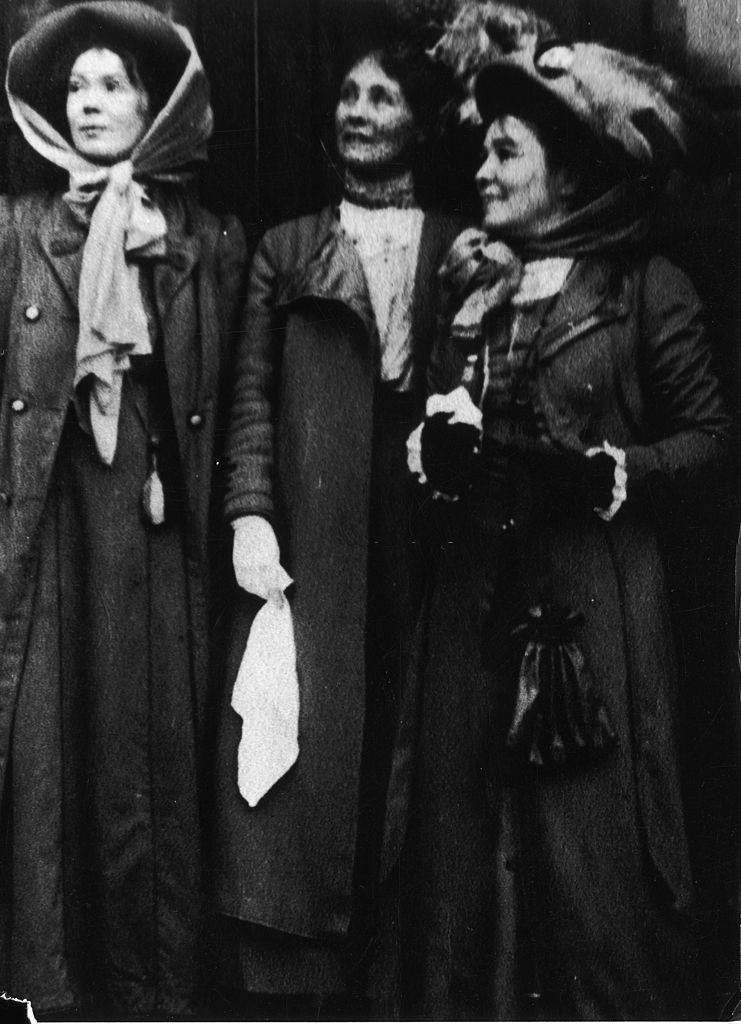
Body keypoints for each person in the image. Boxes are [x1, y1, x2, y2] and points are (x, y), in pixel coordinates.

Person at [401, 39, 732, 1020]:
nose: (484, 171)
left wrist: (617, 470)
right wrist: (437, 443)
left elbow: (711, 439)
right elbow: (437, 408)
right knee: (474, 845)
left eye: (506, 152)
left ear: (571, 167)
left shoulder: (644, 288)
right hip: (476, 603)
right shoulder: (476, 282)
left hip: (592, 615)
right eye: (484, 151)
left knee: (592, 847)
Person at [0, 3, 246, 1017]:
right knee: (56, 740)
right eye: (76, 89)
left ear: (154, 104)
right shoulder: (19, 232)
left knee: (153, 740)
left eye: (113, 85)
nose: (93, 104)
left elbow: (233, 390)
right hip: (51, 521)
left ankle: (157, 984)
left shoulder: (205, 238)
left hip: (157, 519)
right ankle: (56, 983)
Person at [211, 33, 461, 1013]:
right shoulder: (288, 246)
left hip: (422, 517)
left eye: (383, 97)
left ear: (421, 124)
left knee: (414, 726)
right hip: (317, 514)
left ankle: (401, 966)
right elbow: (252, 399)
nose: (358, 111)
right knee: (315, 729)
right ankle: (303, 970)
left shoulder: (458, 248)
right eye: (348, 95)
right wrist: (249, 514)